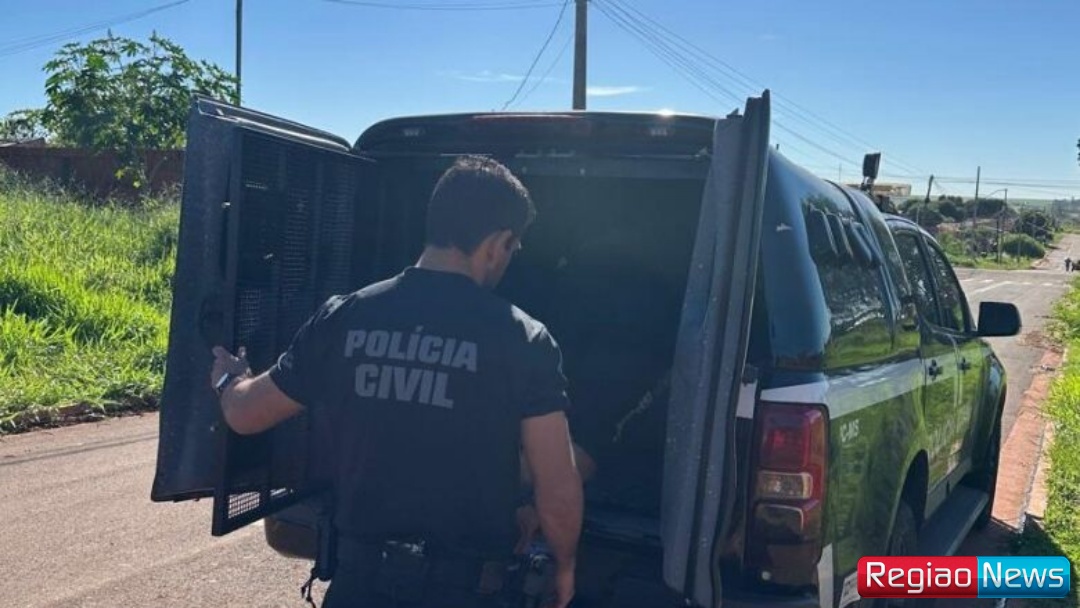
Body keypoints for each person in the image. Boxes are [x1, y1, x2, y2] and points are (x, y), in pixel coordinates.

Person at [209, 156, 585, 608]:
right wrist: (565, 566)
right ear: (497, 243)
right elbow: (557, 489)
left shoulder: (345, 316)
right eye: (512, 248)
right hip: (463, 591)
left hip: (360, 584)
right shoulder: (524, 339)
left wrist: (229, 377)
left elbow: (245, 414)